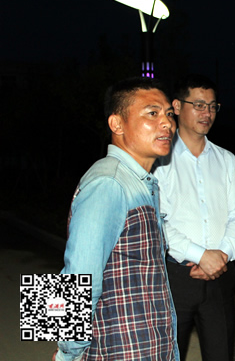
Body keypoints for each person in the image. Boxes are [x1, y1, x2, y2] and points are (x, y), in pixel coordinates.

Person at [54, 77, 179, 361]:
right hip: (118, 350)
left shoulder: (143, 182)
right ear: (117, 124)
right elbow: (77, 275)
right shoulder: (108, 182)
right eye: (152, 113)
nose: (167, 123)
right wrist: (67, 352)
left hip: (149, 346)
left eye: (169, 114)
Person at [153, 74, 235, 361]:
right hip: (174, 278)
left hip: (220, 276)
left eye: (212, 106)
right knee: (168, 354)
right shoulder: (156, 161)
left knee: (221, 353)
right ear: (176, 106)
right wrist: (200, 255)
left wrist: (220, 256)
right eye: (198, 105)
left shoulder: (226, 160)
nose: (207, 113)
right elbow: (156, 222)